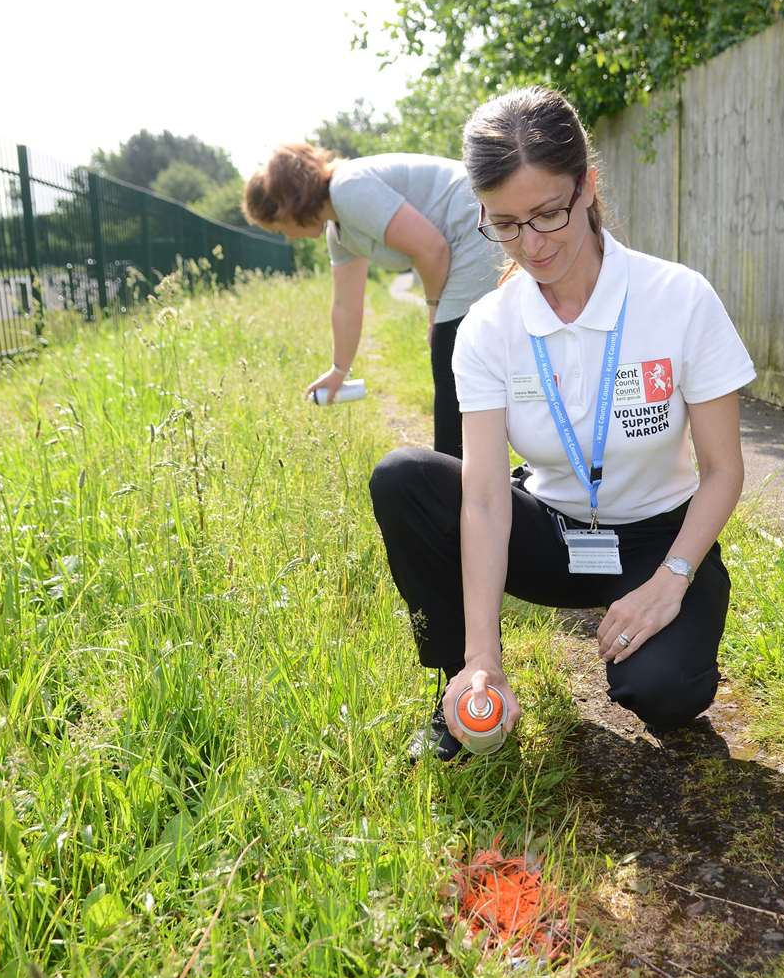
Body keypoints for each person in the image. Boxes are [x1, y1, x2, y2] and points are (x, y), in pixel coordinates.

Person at [368, 86, 757, 761]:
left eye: (548, 214)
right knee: (404, 477)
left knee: (666, 694)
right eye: (506, 224)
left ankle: (656, 628)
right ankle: (458, 689)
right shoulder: (491, 326)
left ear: (588, 187)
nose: (532, 244)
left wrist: (673, 578)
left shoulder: (678, 299)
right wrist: (482, 654)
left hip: (656, 539)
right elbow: (487, 499)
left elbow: (724, 471)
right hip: (548, 532)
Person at [243, 145, 501, 458]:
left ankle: (454, 490)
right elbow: (345, 305)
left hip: (477, 228)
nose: (288, 237)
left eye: (279, 227)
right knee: (457, 363)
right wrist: (339, 370)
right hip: (466, 239)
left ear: (288, 207)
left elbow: (432, 249)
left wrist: (434, 314)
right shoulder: (338, 230)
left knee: (450, 362)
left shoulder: (347, 188)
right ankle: (467, 481)